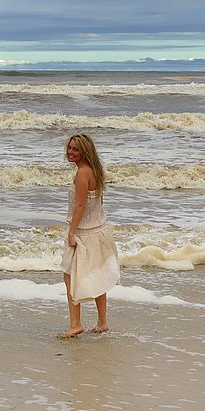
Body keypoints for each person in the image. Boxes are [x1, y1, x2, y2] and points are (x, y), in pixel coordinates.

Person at [59, 134, 120, 338]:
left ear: (85, 151)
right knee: (98, 276)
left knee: (70, 277)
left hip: (85, 233)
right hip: (99, 230)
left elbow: (80, 205)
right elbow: (97, 203)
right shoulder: (96, 171)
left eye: (75, 149)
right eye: (69, 148)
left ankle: (75, 324)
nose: (70, 152)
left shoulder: (81, 174)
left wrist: (72, 232)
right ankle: (102, 322)